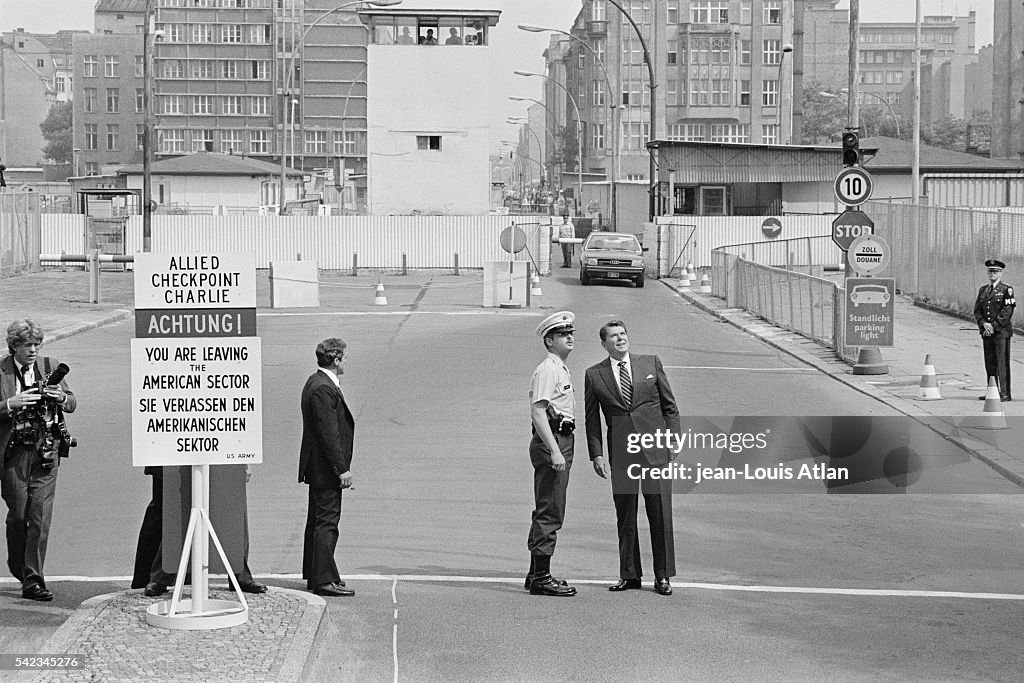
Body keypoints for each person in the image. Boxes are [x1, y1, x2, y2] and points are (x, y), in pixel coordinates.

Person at [584, 320, 679, 596]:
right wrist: (597, 454)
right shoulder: (594, 375)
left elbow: (669, 405)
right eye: (613, 336)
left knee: (660, 512)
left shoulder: (650, 363)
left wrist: (674, 438)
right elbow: (592, 420)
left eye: (623, 334)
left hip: (655, 448)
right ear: (604, 344)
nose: (620, 339)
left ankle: (662, 576)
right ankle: (630, 574)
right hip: (622, 452)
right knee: (625, 514)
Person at [0, 319, 76, 601]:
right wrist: (11, 404)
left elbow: (72, 402)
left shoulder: (49, 366)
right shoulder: (2, 370)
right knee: (19, 513)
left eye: (36, 344)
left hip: (46, 451)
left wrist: (60, 397)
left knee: (39, 518)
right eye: (26, 345)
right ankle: (18, 564)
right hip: (14, 453)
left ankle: (33, 580)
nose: (33, 350)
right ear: (14, 347)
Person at [131, 465, 268, 597]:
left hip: (223, 453)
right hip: (175, 454)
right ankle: (161, 577)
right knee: (176, 511)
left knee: (231, 509)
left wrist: (244, 462)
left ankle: (240, 575)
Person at [525, 312, 578, 596]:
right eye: (563, 334)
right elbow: (538, 411)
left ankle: (535, 573)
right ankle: (542, 578)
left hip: (560, 438)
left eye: (571, 333)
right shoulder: (549, 369)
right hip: (554, 440)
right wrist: (555, 451)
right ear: (549, 340)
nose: (570, 337)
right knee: (551, 509)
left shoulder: (559, 367)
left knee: (547, 506)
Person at [299, 338, 355, 597]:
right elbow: (328, 434)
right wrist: (341, 469)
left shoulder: (316, 382)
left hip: (319, 468)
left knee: (318, 520)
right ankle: (323, 579)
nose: (346, 361)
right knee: (327, 523)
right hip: (325, 469)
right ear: (335, 359)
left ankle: (319, 573)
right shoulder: (323, 388)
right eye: (344, 357)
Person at [974, 258, 1016, 401]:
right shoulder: (983, 290)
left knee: (1002, 363)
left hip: (1001, 332)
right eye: (990, 272)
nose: (992, 274)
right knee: (990, 362)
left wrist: (994, 326)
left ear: (1000, 273)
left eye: (995, 272)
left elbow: (1007, 311)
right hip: (987, 332)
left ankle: (1004, 393)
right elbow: (977, 310)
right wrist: (983, 324)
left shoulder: (1006, 290)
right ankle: (992, 391)